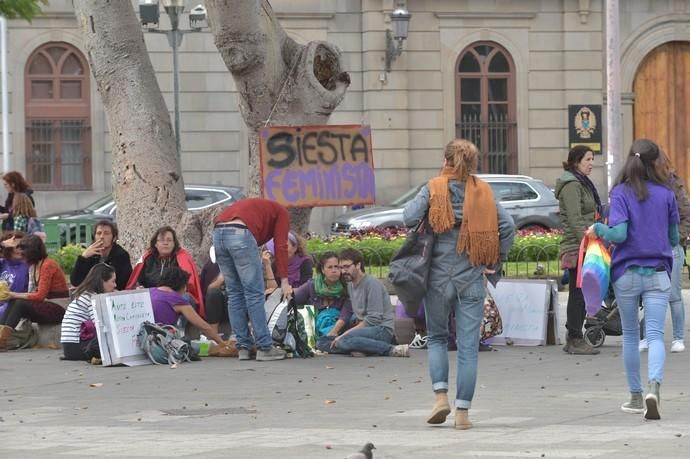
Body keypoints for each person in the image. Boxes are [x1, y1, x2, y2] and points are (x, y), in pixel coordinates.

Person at [403, 138, 515, 430]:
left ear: (446, 161)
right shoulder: (483, 191)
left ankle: (440, 396)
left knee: (438, 338)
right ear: (473, 164)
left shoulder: (433, 187)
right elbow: (508, 227)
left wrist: (434, 197)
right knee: (468, 349)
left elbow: (408, 217)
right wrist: (495, 259)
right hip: (471, 278)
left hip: (437, 277)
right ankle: (463, 413)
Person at [587, 138, 679, 420]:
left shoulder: (620, 193)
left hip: (626, 273)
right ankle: (654, 387)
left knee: (629, 336)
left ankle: (636, 397)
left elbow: (620, 234)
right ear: (655, 163)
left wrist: (598, 229)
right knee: (654, 335)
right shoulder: (667, 194)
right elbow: (674, 237)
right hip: (659, 272)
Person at [212, 198, 293, 362]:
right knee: (254, 294)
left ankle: (243, 347)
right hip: (241, 232)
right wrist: (284, 281)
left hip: (218, 232)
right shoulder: (281, 212)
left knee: (234, 293)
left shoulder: (259, 207)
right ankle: (264, 347)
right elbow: (281, 246)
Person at [638, 151, 689, 354]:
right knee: (649, 293)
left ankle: (678, 337)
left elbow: (686, 213)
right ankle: (647, 336)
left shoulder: (674, 184)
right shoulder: (642, 185)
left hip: (671, 247)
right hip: (649, 247)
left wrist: (677, 238)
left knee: (674, 295)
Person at [555, 144, 602, 355]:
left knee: (581, 291)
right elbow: (574, 220)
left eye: (593, 159)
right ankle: (574, 337)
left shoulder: (580, 182)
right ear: (576, 162)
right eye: (588, 160)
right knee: (578, 292)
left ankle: (573, 336)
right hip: (578, 246)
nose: (592, 164)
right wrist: (587, 240)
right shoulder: (572, 185)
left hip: (584, 243)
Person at [324, 248, 408, 358]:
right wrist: (337, 333)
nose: (343, 271)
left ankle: (391, 349)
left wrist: (344, 335)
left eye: (347, 266)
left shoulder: (372, 284)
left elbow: (373, 319)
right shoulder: (350, 285)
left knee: (344, 339)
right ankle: (366, 348)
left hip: (381, 330)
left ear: (358, 265)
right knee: (322, 342)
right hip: (363, 330)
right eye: (341, 267)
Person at [0, 235, 69, 351]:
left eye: (23, 252)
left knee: (19, 303)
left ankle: (2, 339)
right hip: (46, 304)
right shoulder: (34, 266)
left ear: (31, 253)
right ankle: (1, 337)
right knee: (15, 301)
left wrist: (14, 294)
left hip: (58, 307)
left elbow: (40, 295)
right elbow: (32, 293)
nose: (20, 255)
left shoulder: (48, 265)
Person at [127, 226, 204, 317]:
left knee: (185, 298)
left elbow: (188, 285)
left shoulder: (182, 258)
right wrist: (139, 287)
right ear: (156, 244)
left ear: (174, 244)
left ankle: (179, 328)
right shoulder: (147, 259)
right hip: (153, 298)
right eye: (162, 240)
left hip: (175, 298)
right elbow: (136, 282)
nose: (166, 243)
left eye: (169, 240)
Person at [150, 266, 226, 347]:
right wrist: (223, 343)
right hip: (162, 343)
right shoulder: (177, 299)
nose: (186, 289)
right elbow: (204, 327)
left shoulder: (150, 291)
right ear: (181, 285)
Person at [60, 263, 117, 361]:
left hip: (70, 347)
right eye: (113, 281)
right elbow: (101, 326)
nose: (115, 285)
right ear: (102, 281)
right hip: (76, 347)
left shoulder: (86, 294)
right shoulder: (92, 298)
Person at [293, 251, 353, 342]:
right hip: (315, 328)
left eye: (337, 267)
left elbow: (345, 315)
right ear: (323, 270)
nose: (334, 270)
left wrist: (332, 333)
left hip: (340, 327)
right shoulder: (313, 285)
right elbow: (294, 300)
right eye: (330, 267)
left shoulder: (347, 287)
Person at [70, 220, 132, 291]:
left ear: (114, 238)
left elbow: (122, 284)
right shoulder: (91, 254)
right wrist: (84, 257)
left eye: (106, 233)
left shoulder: (121, 255)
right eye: (99, 233)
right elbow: (75, 281)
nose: (102, 237)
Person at [0, 232, 29, 320]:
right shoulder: (2, 263)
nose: (20, 250)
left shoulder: (29, 266)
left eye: (23, 247)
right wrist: (2, 244)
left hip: (14, 306)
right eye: (16, 247)